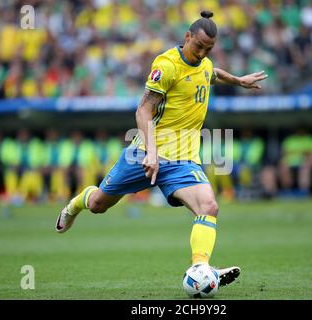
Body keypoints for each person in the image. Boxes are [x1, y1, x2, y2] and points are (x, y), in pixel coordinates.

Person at [56, 11, 267, 289]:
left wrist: (238, 80)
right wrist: (152, 152)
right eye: (198, 46)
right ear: (187, 37)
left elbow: (211, 74)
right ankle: (74, 205)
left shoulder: (204, 63)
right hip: (144, 154)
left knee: (208, 206)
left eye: (208, 49)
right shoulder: (166, 65)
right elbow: (143, 110)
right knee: (98, 205)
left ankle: (201, 268)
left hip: (184, 159)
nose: (202, 52)